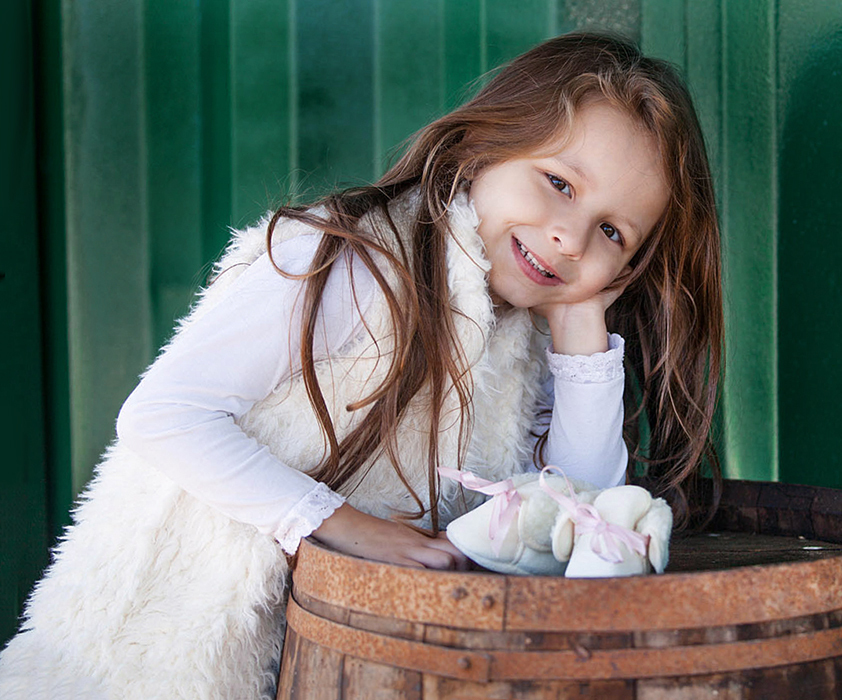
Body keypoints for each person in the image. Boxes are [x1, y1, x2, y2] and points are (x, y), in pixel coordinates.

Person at [0, 32, 723, 699]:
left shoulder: (521, 336)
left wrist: (580, 322)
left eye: (610, 232)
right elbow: (161, 416)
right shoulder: (353, 263)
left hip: (312, 662)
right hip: (138, 664)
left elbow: (579, 514)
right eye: (559, 183)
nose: (568, 237)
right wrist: (341, 524)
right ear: (484, 147)